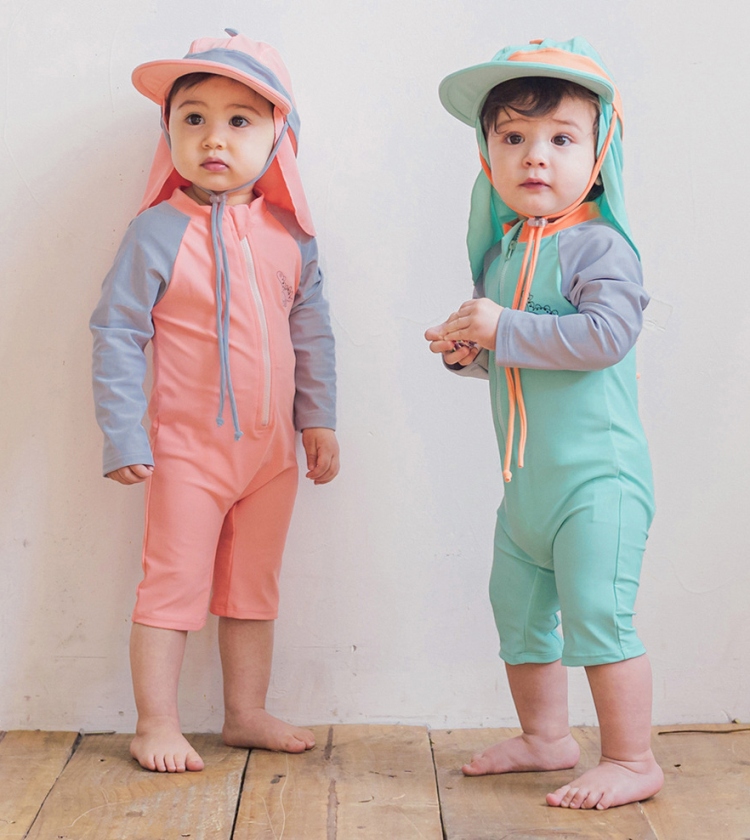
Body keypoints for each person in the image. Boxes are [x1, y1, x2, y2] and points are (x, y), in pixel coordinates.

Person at [91, 30, 339, 773]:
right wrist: (123, 433)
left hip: (272, 457)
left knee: (252, 589)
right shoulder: (156, 232)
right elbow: (116, 332)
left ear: (278, 137)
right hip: (185, 455)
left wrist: (319, 419)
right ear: (169, 133)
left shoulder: (292, 235)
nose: (214, 138)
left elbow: (313, 332)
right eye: (193, 118)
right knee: (171, 586)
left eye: (239, 120)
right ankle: (155, 723)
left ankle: (245, 713)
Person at [425, 37, 662, 810]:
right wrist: (470, 351)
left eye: (561, 138)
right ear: (487, 155)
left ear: (598, 154)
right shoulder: (502, 255)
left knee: (598, 616)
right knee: (519, 613)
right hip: (526, 490)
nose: (535, 155)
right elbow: (521, 356)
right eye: (513, 138)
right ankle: (546, 738)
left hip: (598, 482)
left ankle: (631, 759)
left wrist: (503, 327)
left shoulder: (600, 247)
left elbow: (605, 337)